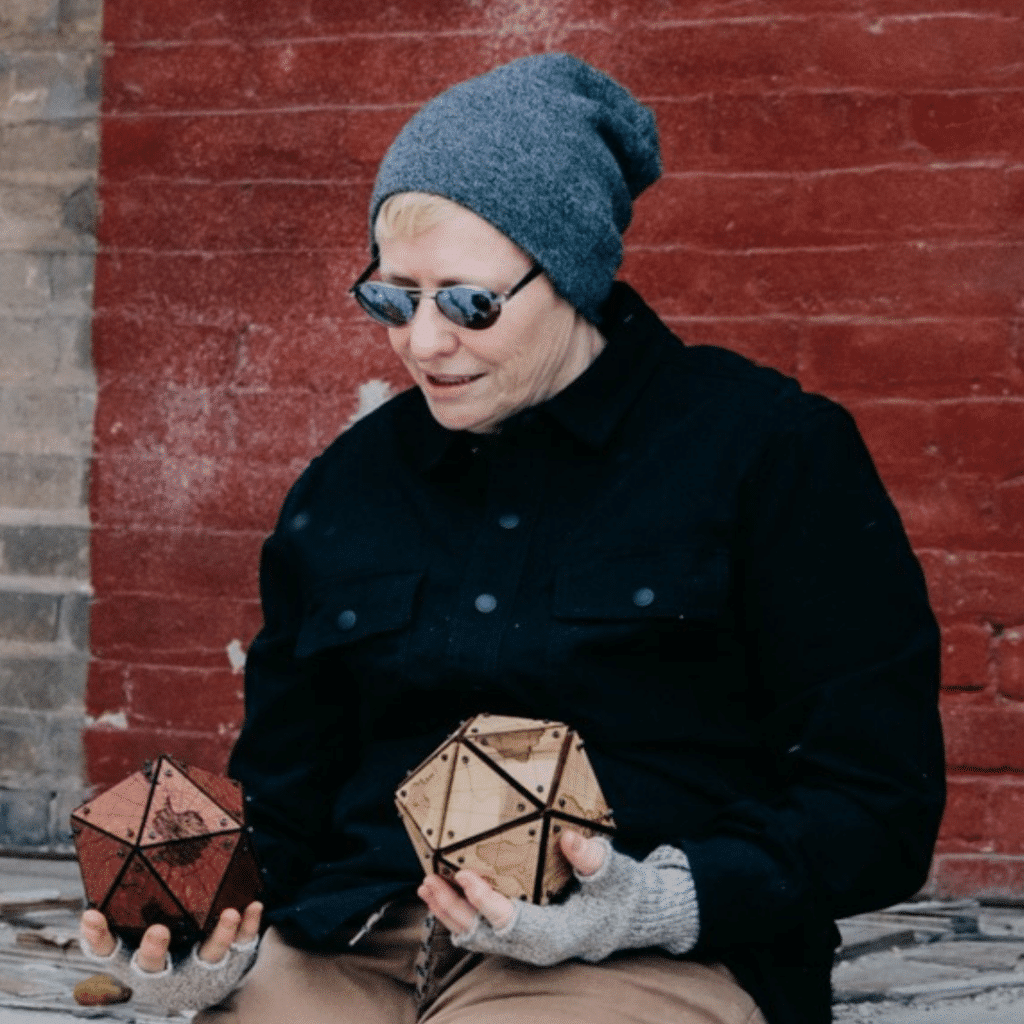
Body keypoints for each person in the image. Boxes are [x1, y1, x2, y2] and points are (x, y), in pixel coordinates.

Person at [79, 53, 945, 1024]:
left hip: (632, 957)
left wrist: (653, 898)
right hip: (361, 938)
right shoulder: (350, 485)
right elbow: (288, 793)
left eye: (467, 301)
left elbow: (877, 801)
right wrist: (203, 925)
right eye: (393, 296)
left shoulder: (768, 450)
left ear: (570, 269)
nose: (423, 341)